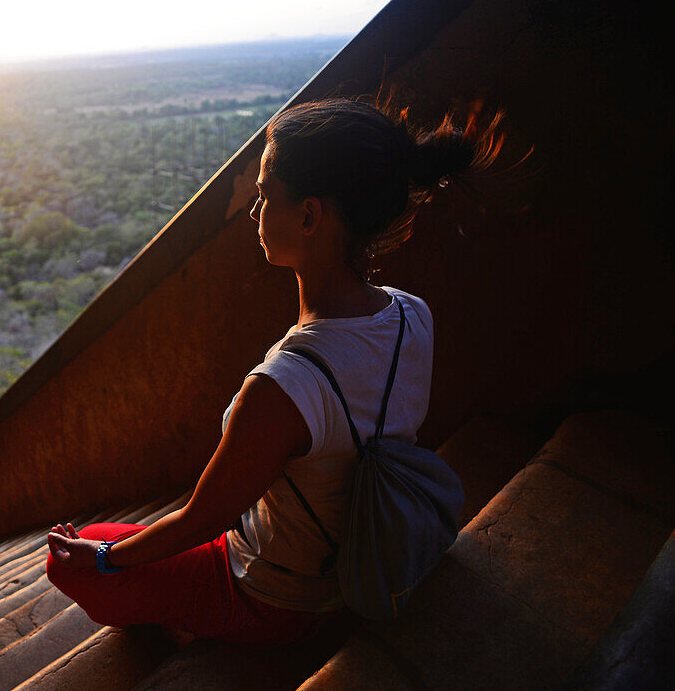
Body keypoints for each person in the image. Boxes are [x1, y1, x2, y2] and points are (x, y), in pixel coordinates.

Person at [45, 97, 502, 646]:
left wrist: (102, 555)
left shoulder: (283, 387)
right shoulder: (412, 313)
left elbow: (201, 521)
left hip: (282, 598)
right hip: (368, 550)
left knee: (74, 558)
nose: (254, 212)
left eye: (264, 196)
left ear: (309, 216)